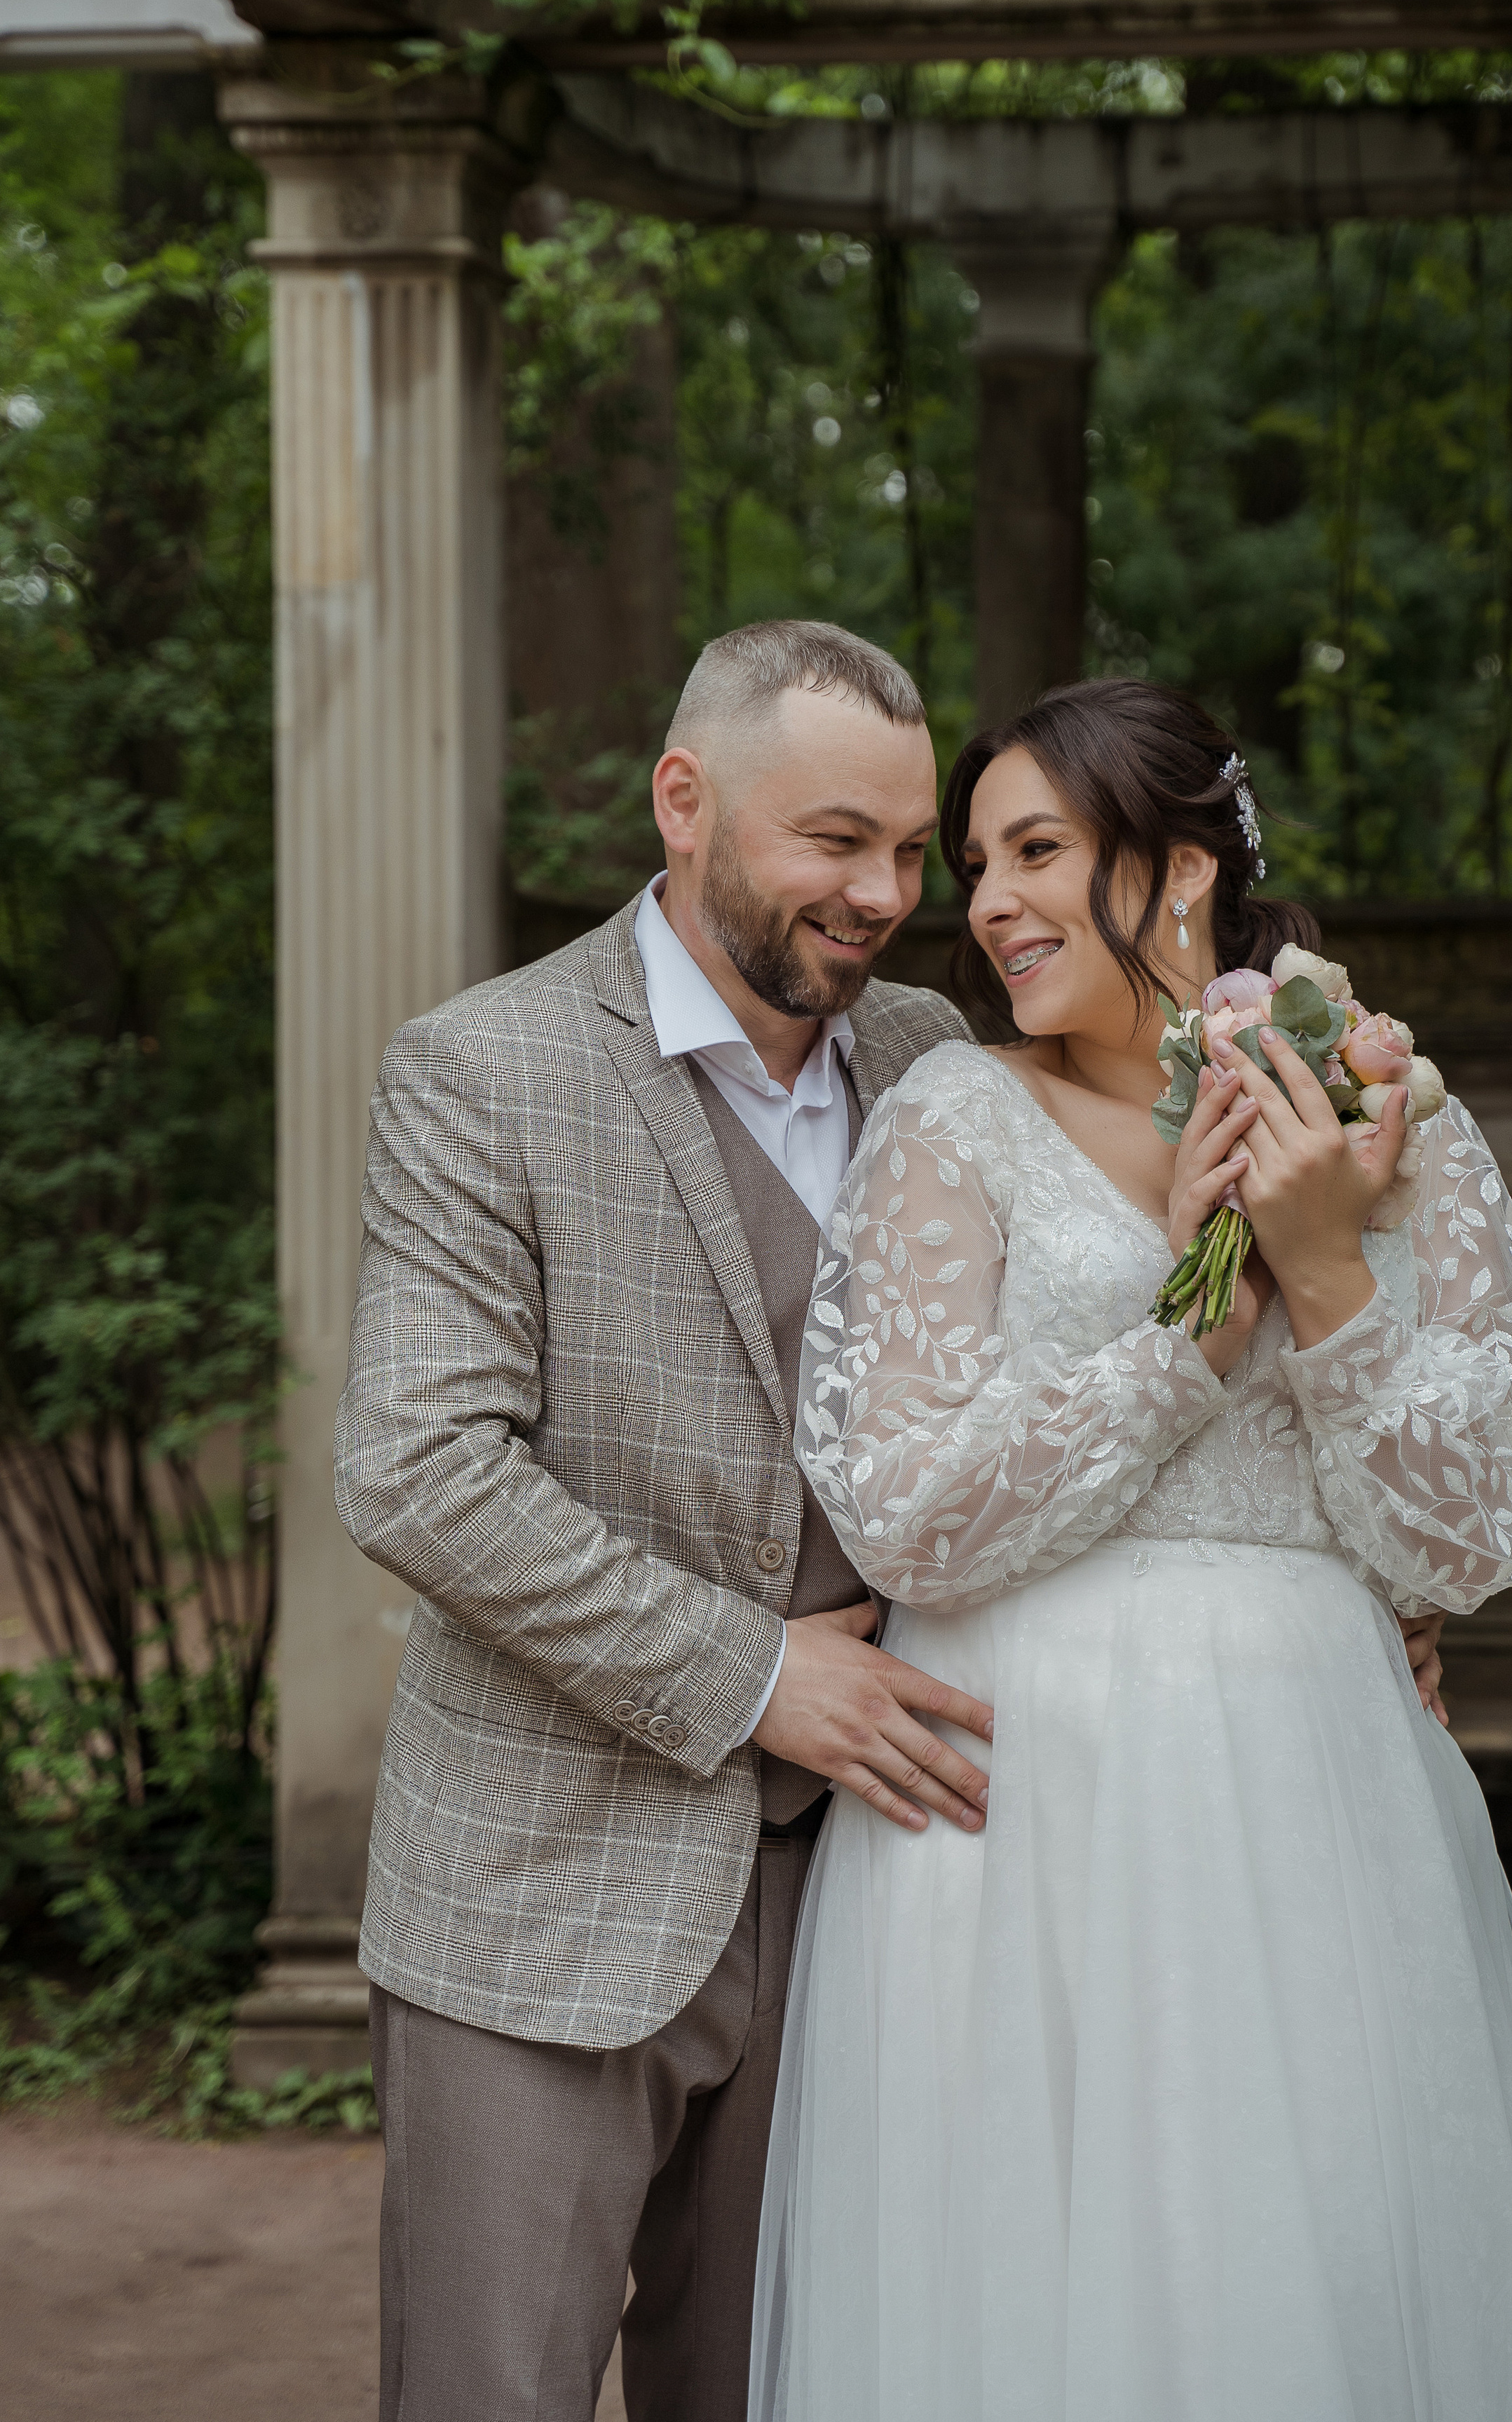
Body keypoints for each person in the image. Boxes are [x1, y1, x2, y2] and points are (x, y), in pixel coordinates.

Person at [751, 679, 1512, 2422]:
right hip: (1011, 1807)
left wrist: (1319, 1262)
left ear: (1172, 876)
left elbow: (1484, 1519)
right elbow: (906, 1512)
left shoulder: (1383, 1115)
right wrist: (1189, 1336)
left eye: (1036, 852)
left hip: (1314, 1794)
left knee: (1308, 2275)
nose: (986, 902)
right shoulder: (953, 1120)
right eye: (977, 861)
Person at [335, 621, 993, 2422]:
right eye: (832, 840)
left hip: (861, 1896)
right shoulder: (484, 1070)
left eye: (909, 852)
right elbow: (419, 1468)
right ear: (682, 801)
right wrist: (748, 1679)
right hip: (538, 1887)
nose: (879, 894)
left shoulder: (935, 1058)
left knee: (785, 2393)